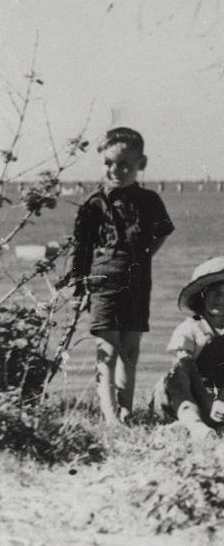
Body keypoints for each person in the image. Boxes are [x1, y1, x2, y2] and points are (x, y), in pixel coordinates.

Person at [62, 127, 174, 424]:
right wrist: (79, 284)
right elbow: (81, 248)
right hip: (102, 280)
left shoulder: (149, 200)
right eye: (109, 163)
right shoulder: (94, 203)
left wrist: (144, 255)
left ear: (142, 163)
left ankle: (125, 409)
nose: (116, 170)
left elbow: (161, 232)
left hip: (137, 281)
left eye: (125, 164)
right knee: (108, 350)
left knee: (130, 349)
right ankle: (110, 414)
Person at [150, 257, 224, 439]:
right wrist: (209, 403)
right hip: (178, 399)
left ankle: (196, 425)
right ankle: (195, 425)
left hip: (215, 400)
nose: (220, 297)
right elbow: (182, 372)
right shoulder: (189, 327)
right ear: (201, 296)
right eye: (213, 291)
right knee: (177, 373)